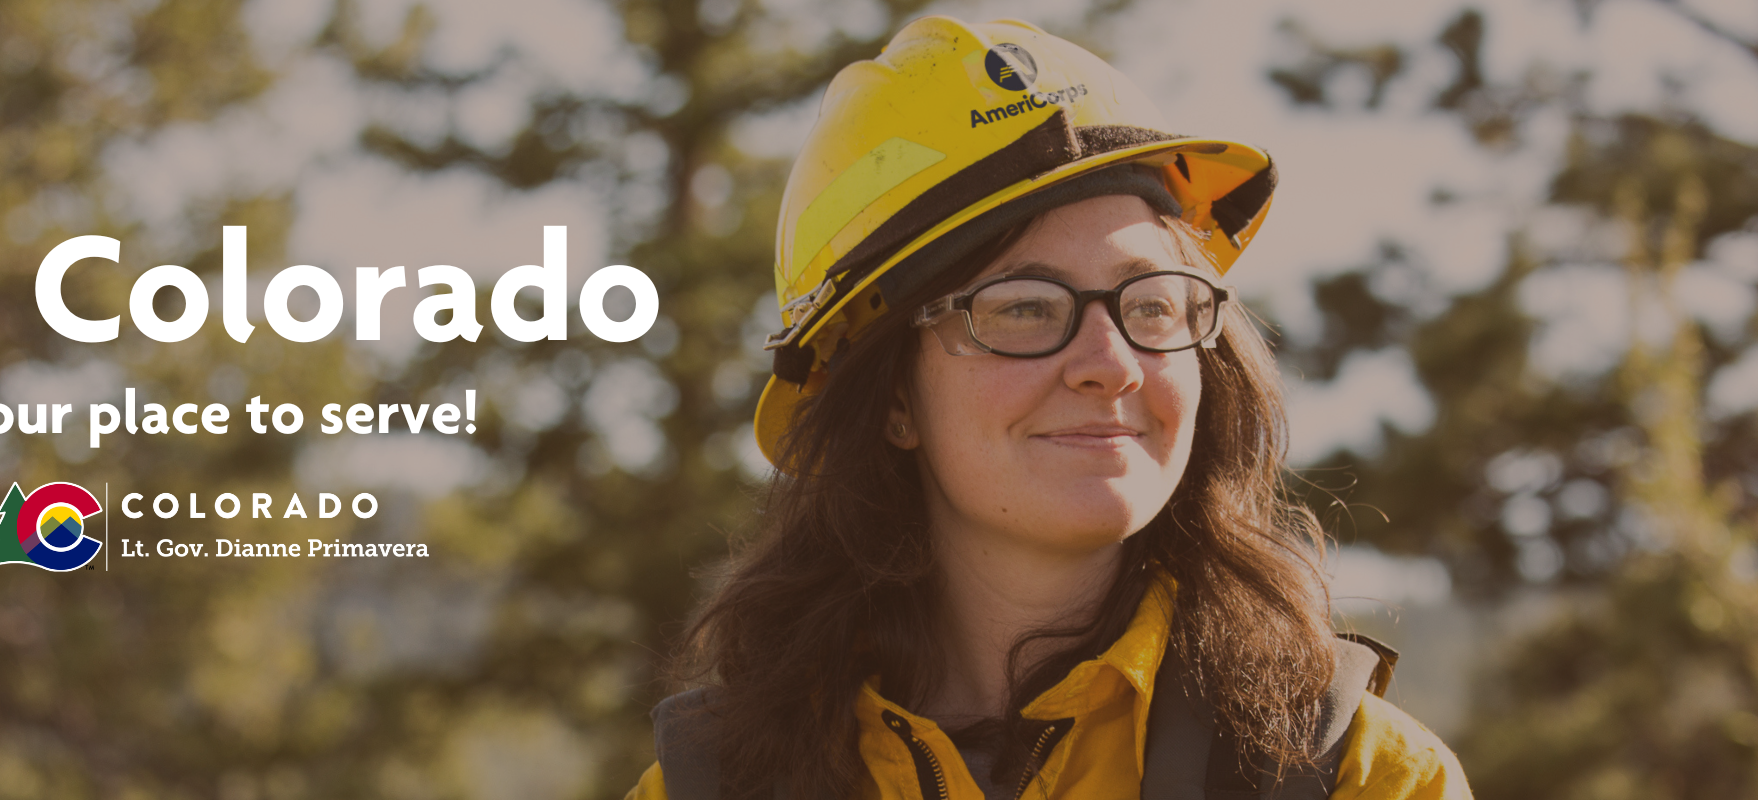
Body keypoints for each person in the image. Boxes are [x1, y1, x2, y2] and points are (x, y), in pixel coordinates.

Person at [623, 15, 1470, 800]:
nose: (1111, 364)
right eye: (1023, 307)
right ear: (891, 402)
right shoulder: (712, 787)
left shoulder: (1356, 776)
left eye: (1152, 305)